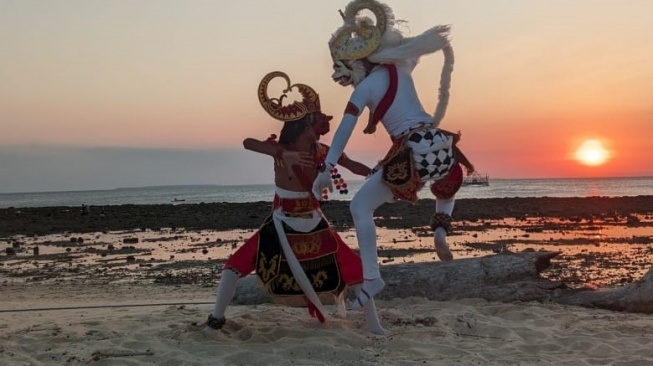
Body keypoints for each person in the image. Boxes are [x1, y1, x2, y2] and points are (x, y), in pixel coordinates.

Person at [312, 0, 473, 309]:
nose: (338, 77)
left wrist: (327, 167)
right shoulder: (402, 68)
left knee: (360, 207)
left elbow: (345, 129)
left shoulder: (365, 88)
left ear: (357, 61)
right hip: (440, 144)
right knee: (444, 184)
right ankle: (440, 226)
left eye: (340, 67)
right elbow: (412, 56)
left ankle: (372, 280)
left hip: (410, 151)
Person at [203, 71, 385, 335]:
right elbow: (248, 142)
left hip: (315, 223)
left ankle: (375, 325)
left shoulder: (322, 152)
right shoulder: (280, 152)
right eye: (315, 125)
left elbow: (351, 163)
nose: (320, 131)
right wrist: (281, 152)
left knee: (357, 269)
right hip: (281, 224)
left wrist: (375, 175)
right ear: (302, 126)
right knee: (233, 267)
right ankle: (215, 321)